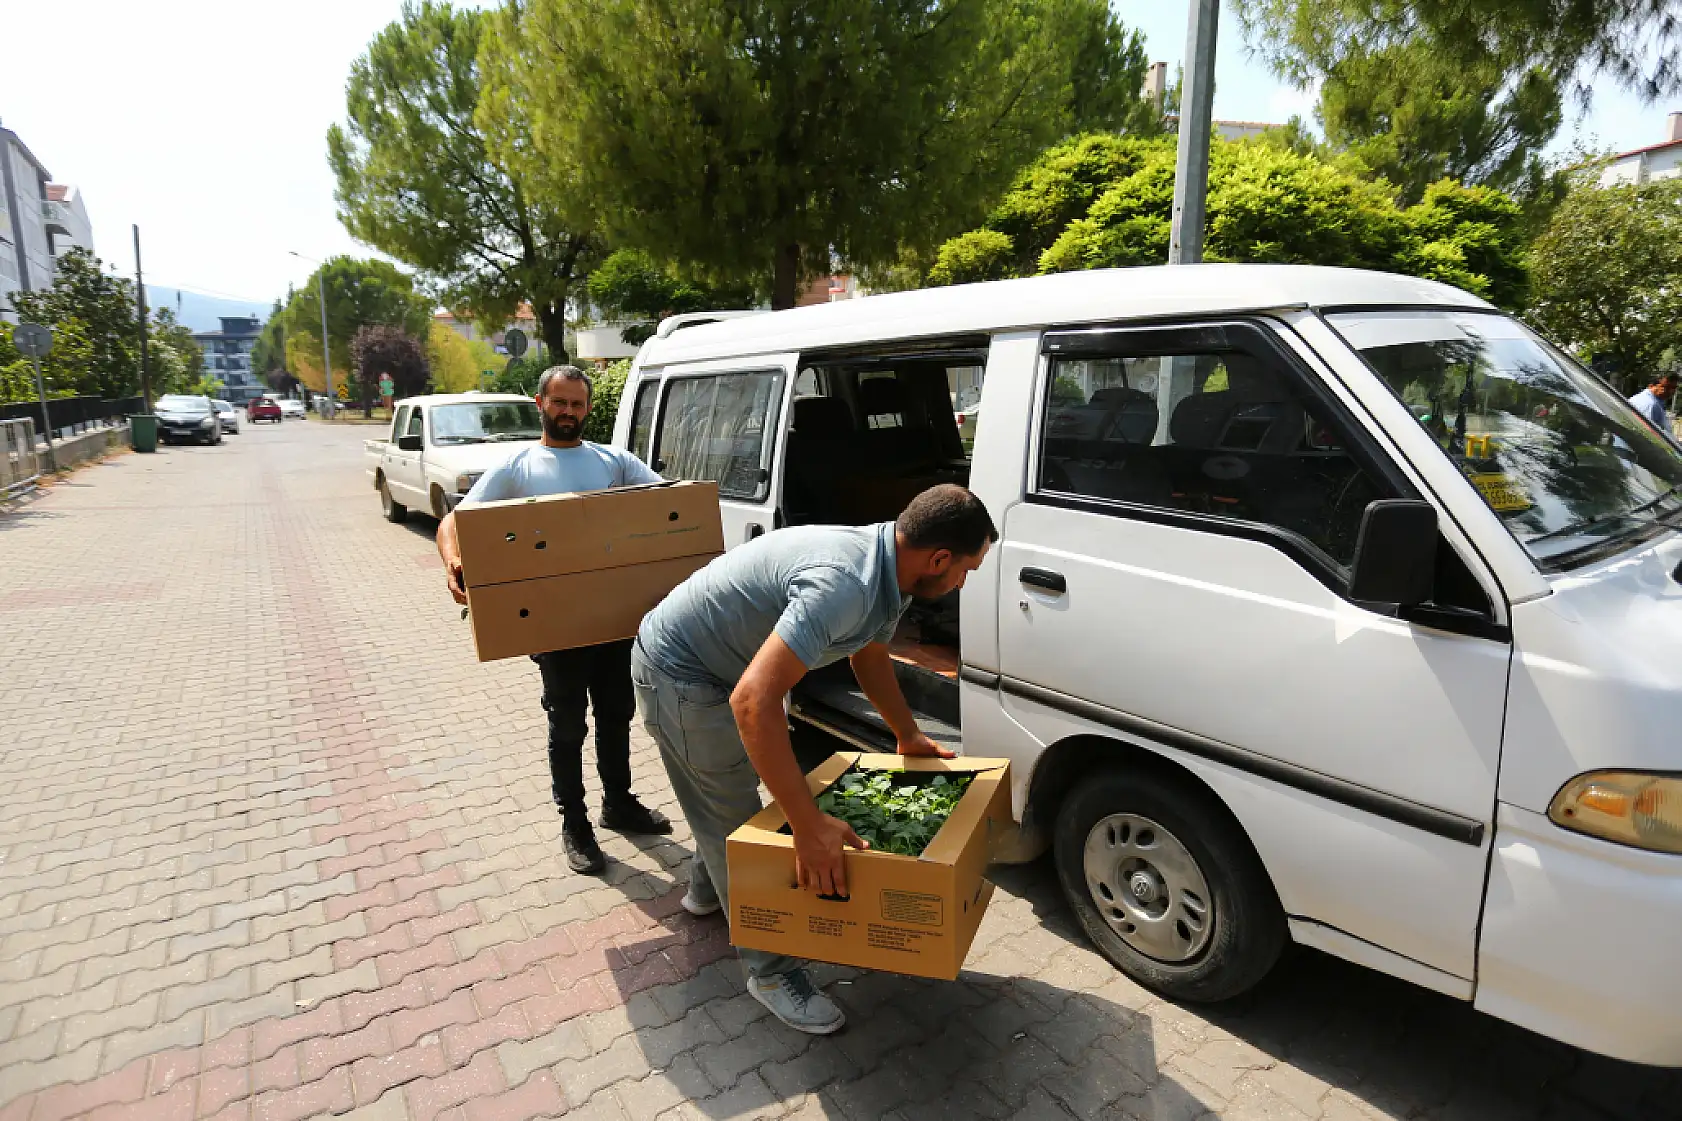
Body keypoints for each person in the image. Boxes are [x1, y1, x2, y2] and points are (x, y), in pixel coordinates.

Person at [631, 485, 997, 1034]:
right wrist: (808, 828)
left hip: (728, 668)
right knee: (737, 811)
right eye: (966, 570)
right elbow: (753, 702)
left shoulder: (889, 570)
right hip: (683, 675)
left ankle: (708, 890)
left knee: (723, 809)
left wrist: (907, 735)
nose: (962, 584)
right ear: (938, 558)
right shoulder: (844, 583)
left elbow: (869, 656)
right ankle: (772, 972)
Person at [436, 365, 672, 874]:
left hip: (615, 620)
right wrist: (455, 560)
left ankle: (619, 803)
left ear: (588, 409)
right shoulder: (518, 466)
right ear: (540, 403)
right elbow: (454, 520)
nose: (569, 413)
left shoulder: (615, 461)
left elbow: (667, 504)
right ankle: (576, 824)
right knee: (567, 725)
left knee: (616, 715)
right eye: (559, 403)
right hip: (555, 626)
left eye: (577, 404)